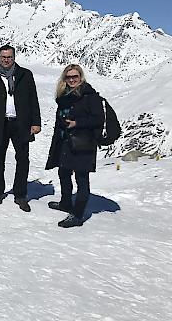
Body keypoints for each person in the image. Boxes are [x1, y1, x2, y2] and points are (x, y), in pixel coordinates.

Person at [0, 45, 41, 212]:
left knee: (23, 159)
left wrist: (36, 122)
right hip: (0, 123)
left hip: (21, 123)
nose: (6, 59)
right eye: (3, 56)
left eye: (9, 57)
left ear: (14, 57)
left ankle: (20, 194)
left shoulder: (25, 75)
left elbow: (33, 100)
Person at [45, 64, 103, 227]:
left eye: (75, 77)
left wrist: (77, 123)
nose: (72, 80)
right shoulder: (64, 96)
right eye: (69, 77)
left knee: (81, 179)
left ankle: (77, 215)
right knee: (63, 172)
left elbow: (98, 119)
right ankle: (66, 202)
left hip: (83, 144)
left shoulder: (90, 96)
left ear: (81, 77)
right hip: (66, 142)